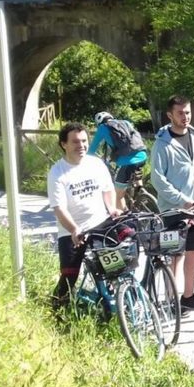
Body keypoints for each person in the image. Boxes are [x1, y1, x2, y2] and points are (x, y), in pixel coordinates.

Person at [150, 95, 194, 312]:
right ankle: (171, 300)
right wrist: (181, 200)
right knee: (176, 254)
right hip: (174, 208)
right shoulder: (162, 144)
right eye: (180, 113)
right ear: (170, 115)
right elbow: (157, 179)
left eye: (187, 112)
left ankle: (188, 296)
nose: (185, 117)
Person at [48, 122, 120, 304]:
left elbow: (107, 189)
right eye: (75, 142)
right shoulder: (57, 172)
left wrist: (111, 208)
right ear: (64, 144)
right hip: (72, 230)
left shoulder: (96, 163)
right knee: (69, 276)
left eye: (84, 141)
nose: (81, 146)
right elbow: (59, 208)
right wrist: (73, 229)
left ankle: (113, 305)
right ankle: (55, 310)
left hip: (100, 223)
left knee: (115, 266)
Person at [88, 112, 148, 210]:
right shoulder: (125, 122)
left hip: (127, 162)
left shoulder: (102, 128)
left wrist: (88, 158)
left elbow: (91, 150)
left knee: (117, 196)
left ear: (99, 122)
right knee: (135, 170)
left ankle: (125, 219)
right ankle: (141, 192)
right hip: (142, 155)